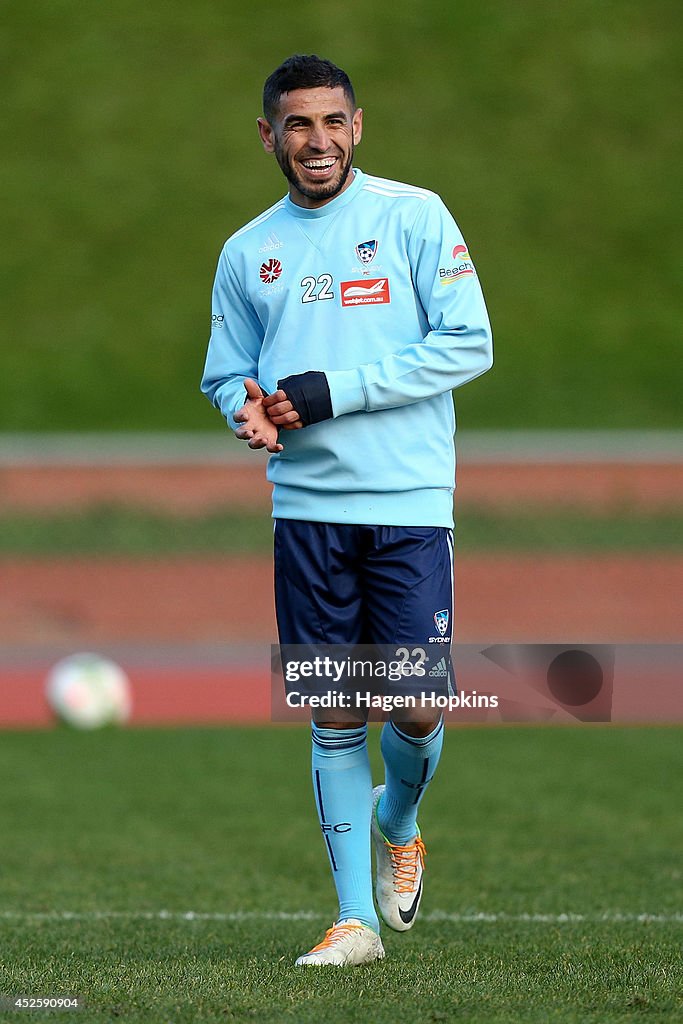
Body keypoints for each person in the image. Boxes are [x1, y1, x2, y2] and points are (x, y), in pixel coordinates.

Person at [201, 54, 493, 966]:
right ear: (269, 136)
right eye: (297, 125)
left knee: (411, 704)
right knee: (334, 712)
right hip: (306, 512)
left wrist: (341, 390)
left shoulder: (413, 214)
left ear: (356, 127)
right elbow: (225, 371)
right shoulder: (247, 251)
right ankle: (354, 921)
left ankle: (396, 819)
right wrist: (242, 407)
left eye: (332, 122)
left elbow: (468, 343)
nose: (316, 141)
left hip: (406, 502)